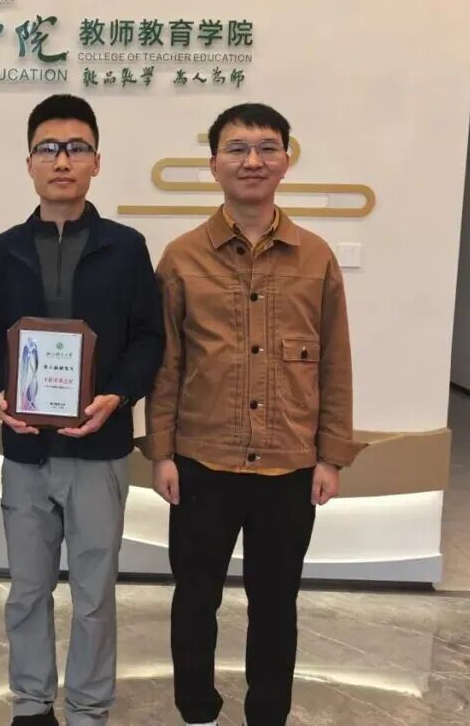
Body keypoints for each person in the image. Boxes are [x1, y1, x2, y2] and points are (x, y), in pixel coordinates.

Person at [144, 103, 366, 726]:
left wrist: (331, 455)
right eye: (237, 148)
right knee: (195, 600)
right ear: (214, 163)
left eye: (266, 147)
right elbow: (167, 363)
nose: (252, 161)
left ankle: (268, 713)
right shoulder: (182, 257)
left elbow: (335, 363)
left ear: (285, 161)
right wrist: (161, 452)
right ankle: (197, 711)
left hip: (289, 465)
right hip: (202, 461)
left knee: (276, 604)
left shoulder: (315, 256)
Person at [0, 94, 164, 725]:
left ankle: (88, 708)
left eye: (76, 148)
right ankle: (32, 705)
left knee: (94, 593)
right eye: (49, 149)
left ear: (96, 162)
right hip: (26, 451)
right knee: (27, 590)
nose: (62, 161)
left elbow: (149, 338)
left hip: (99, 449)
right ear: (29, 162)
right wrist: (1, 392)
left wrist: (120, 397)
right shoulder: (4, 251)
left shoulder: (126, 248)